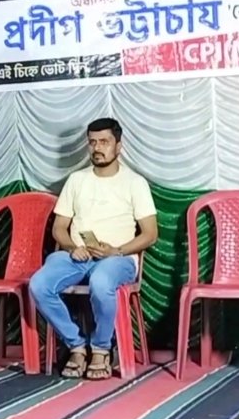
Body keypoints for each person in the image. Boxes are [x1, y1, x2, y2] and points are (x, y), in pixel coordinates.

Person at [29, 117, 158, 380]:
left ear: (118, 146)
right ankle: (76, 345)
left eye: (104, 142)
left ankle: (101, 348)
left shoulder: (135, 183)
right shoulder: (77, 180)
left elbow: (150, 234)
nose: (97, 148)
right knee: (39, 285)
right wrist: (71, 246)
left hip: (117, 258)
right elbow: (59, 228)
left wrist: (117, 251)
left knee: (101, 281)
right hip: (78, 255)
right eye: (93, 143)